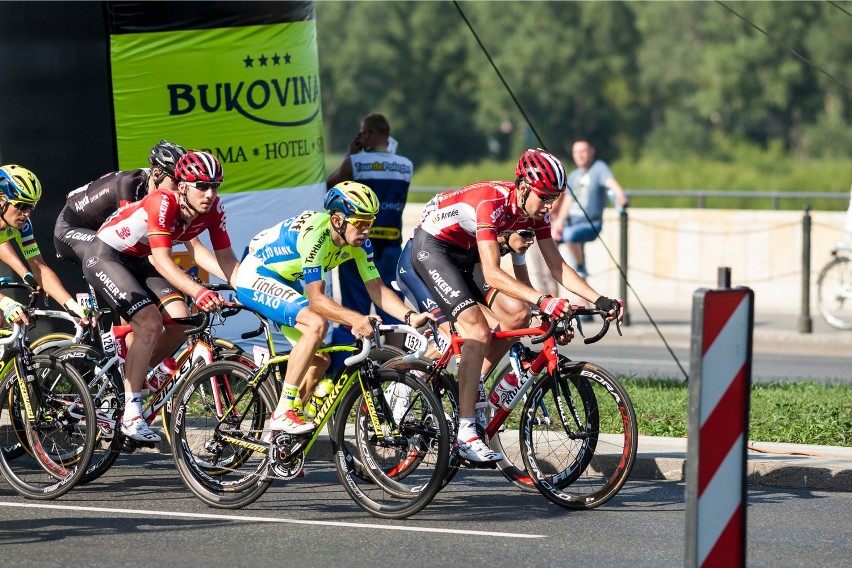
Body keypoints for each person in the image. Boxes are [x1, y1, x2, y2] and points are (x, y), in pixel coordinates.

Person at [409, 148, 622, 463]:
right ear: (523, 188)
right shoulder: (490, 202)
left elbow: (557, 266)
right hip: (433, 248)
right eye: (545, 197)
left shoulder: (534, 211)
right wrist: (544, 300)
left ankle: (470, 389)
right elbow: (494, 274)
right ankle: (465, 432)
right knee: (478, 331)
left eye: (555, 198)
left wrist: (599, 299)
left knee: (513, 319)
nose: (550, 205)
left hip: (466, 255)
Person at [234, 181, 431, 435]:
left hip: (285, 279)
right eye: (360, 223)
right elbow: (316, 299)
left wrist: (410, 316)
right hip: (257, 275)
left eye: (370, 222)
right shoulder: (316, 236)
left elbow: (377, 289)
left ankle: (280, 436)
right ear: (338, 220)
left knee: (319, 362)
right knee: (317, 324)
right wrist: (357, 319)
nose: (367, 230)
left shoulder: (359, 244)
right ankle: (283, 412)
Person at [83, 151, 240, 442]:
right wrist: (199, 290)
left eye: (215, 186)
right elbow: (164, 261)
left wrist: (252, 290)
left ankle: (138, 376)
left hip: (138, 260)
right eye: (202, 186)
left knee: (184, 320)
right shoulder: (162, 201)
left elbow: (227, 261)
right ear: (182, 187)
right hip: (106, 255)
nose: (210, 194)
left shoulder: (213, 209)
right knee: (151, 323)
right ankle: (131, 415)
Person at [326, 114, 413, 327]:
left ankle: (354, 357)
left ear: (366, 134)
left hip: (359, 242)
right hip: (392, 245)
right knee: (394, 309)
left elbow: (331, 187)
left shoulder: (355, 162)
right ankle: (397, 358)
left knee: (355, 309)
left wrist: (351, 153)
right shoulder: (406, 164)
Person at [0, 165, 89, 326]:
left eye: (31, 206)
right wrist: (5, 302)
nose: (26, 213)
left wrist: (71, 305)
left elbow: (40, 269)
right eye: (21, 205)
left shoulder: (23, 226)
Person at [551, 140, 628, 279]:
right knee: (552, 240)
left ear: (591, 152)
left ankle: (580, 267)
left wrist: (620, 197)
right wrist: (559, 223)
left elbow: (612, 184)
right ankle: (560, 282)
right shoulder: (574, 175)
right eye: (576, 152)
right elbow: (567, 202)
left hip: (590, 224)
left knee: (570, 237)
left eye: (583, 152)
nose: (579, 155)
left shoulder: (599, 168)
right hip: (571, 225)